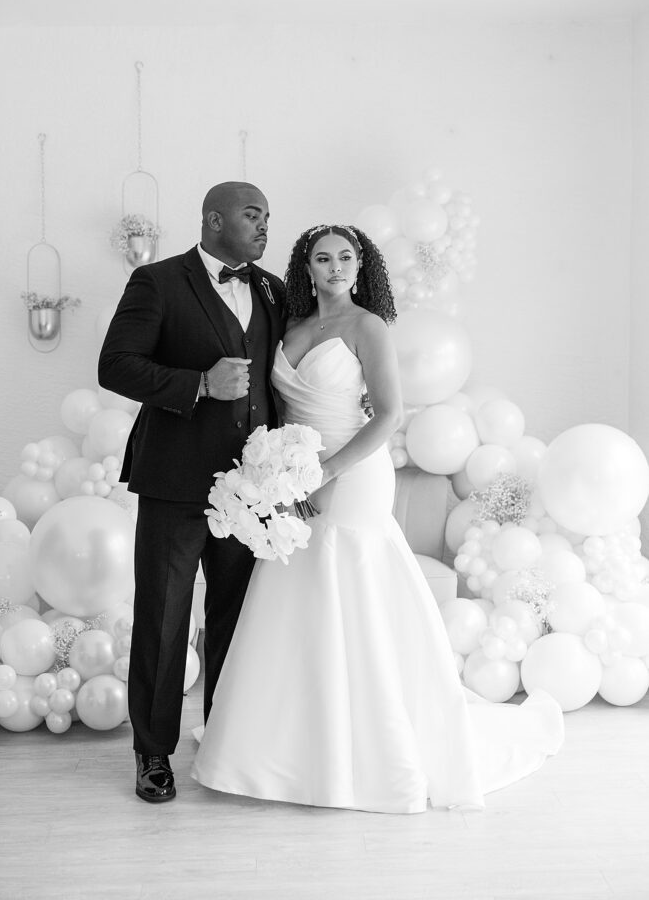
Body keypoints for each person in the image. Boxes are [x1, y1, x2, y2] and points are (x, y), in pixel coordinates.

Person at [191, 224, 564, 814]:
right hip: (295, 473)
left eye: (346, 257)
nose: (335, 266)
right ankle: (292, 748)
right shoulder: (289, 329)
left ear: (361, 267)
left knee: (350, 586)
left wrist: (326, 472)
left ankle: (366, 751)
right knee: (298, 593)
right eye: (323, 258)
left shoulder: (368, 327)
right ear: (306, 268)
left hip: (353, 470)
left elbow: (388, 416)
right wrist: (279, 473)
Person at [98, 181, 286, 803]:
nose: (264, 225)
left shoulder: (271, 289)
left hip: (251, 488)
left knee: (235, 618)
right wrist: (199, 384)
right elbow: (115, 364)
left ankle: (226, 739)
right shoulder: (156, 281)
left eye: (266, 216)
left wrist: (288, 470)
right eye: (252, 214)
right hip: (176, 482)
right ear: (212, 219)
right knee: (163, 617)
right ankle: (153, 752)